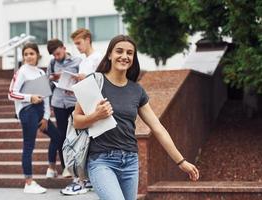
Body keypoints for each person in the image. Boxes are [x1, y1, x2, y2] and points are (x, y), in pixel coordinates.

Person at [71, 35, 200, 200]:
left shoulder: (136, 90)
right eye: (119, 51)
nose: (124, 56)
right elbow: (77, 121)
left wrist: (181, 162)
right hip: (101, 161)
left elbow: (158, 128)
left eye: (129, 53)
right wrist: (96, 115)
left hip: (130, 161)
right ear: (109, 55)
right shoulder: (94, 82)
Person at [8, 42, 62, 194]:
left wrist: (45, 117)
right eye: (26, 54)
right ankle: (29, 182)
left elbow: (45, 97)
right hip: (28, 111)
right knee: (29, 146)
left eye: (31, 53)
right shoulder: (22, 72)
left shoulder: (40, 73)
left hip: (40, 112)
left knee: (57, 137)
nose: (29, 57)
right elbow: (11, 93)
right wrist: (29, 97)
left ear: (37, 55)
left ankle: (51, 168)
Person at [60, 28, 103, 195]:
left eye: (79, 43)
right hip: (83, 104)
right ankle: (85, 180)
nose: (77, 47)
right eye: (75, 44)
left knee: (81, 144)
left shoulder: (98, 58)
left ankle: (80, 182)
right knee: (82, 144)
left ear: (88, 39)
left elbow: (102, 81)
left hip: (93, 107)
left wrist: (85, 79)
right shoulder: (83, 61)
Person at [46, 39, 81, 178]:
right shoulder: (52, 63)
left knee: (76, 134)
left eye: (58, 53)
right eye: (54, 55)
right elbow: (48, 83)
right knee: (62, 135)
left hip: (74, 102)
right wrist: (52, 78)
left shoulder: (77, 61)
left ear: (64, 48)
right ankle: (65, 167)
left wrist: (70, 79)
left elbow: (82, 80)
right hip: (58, 102)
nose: (56, 57)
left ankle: (79, 166)